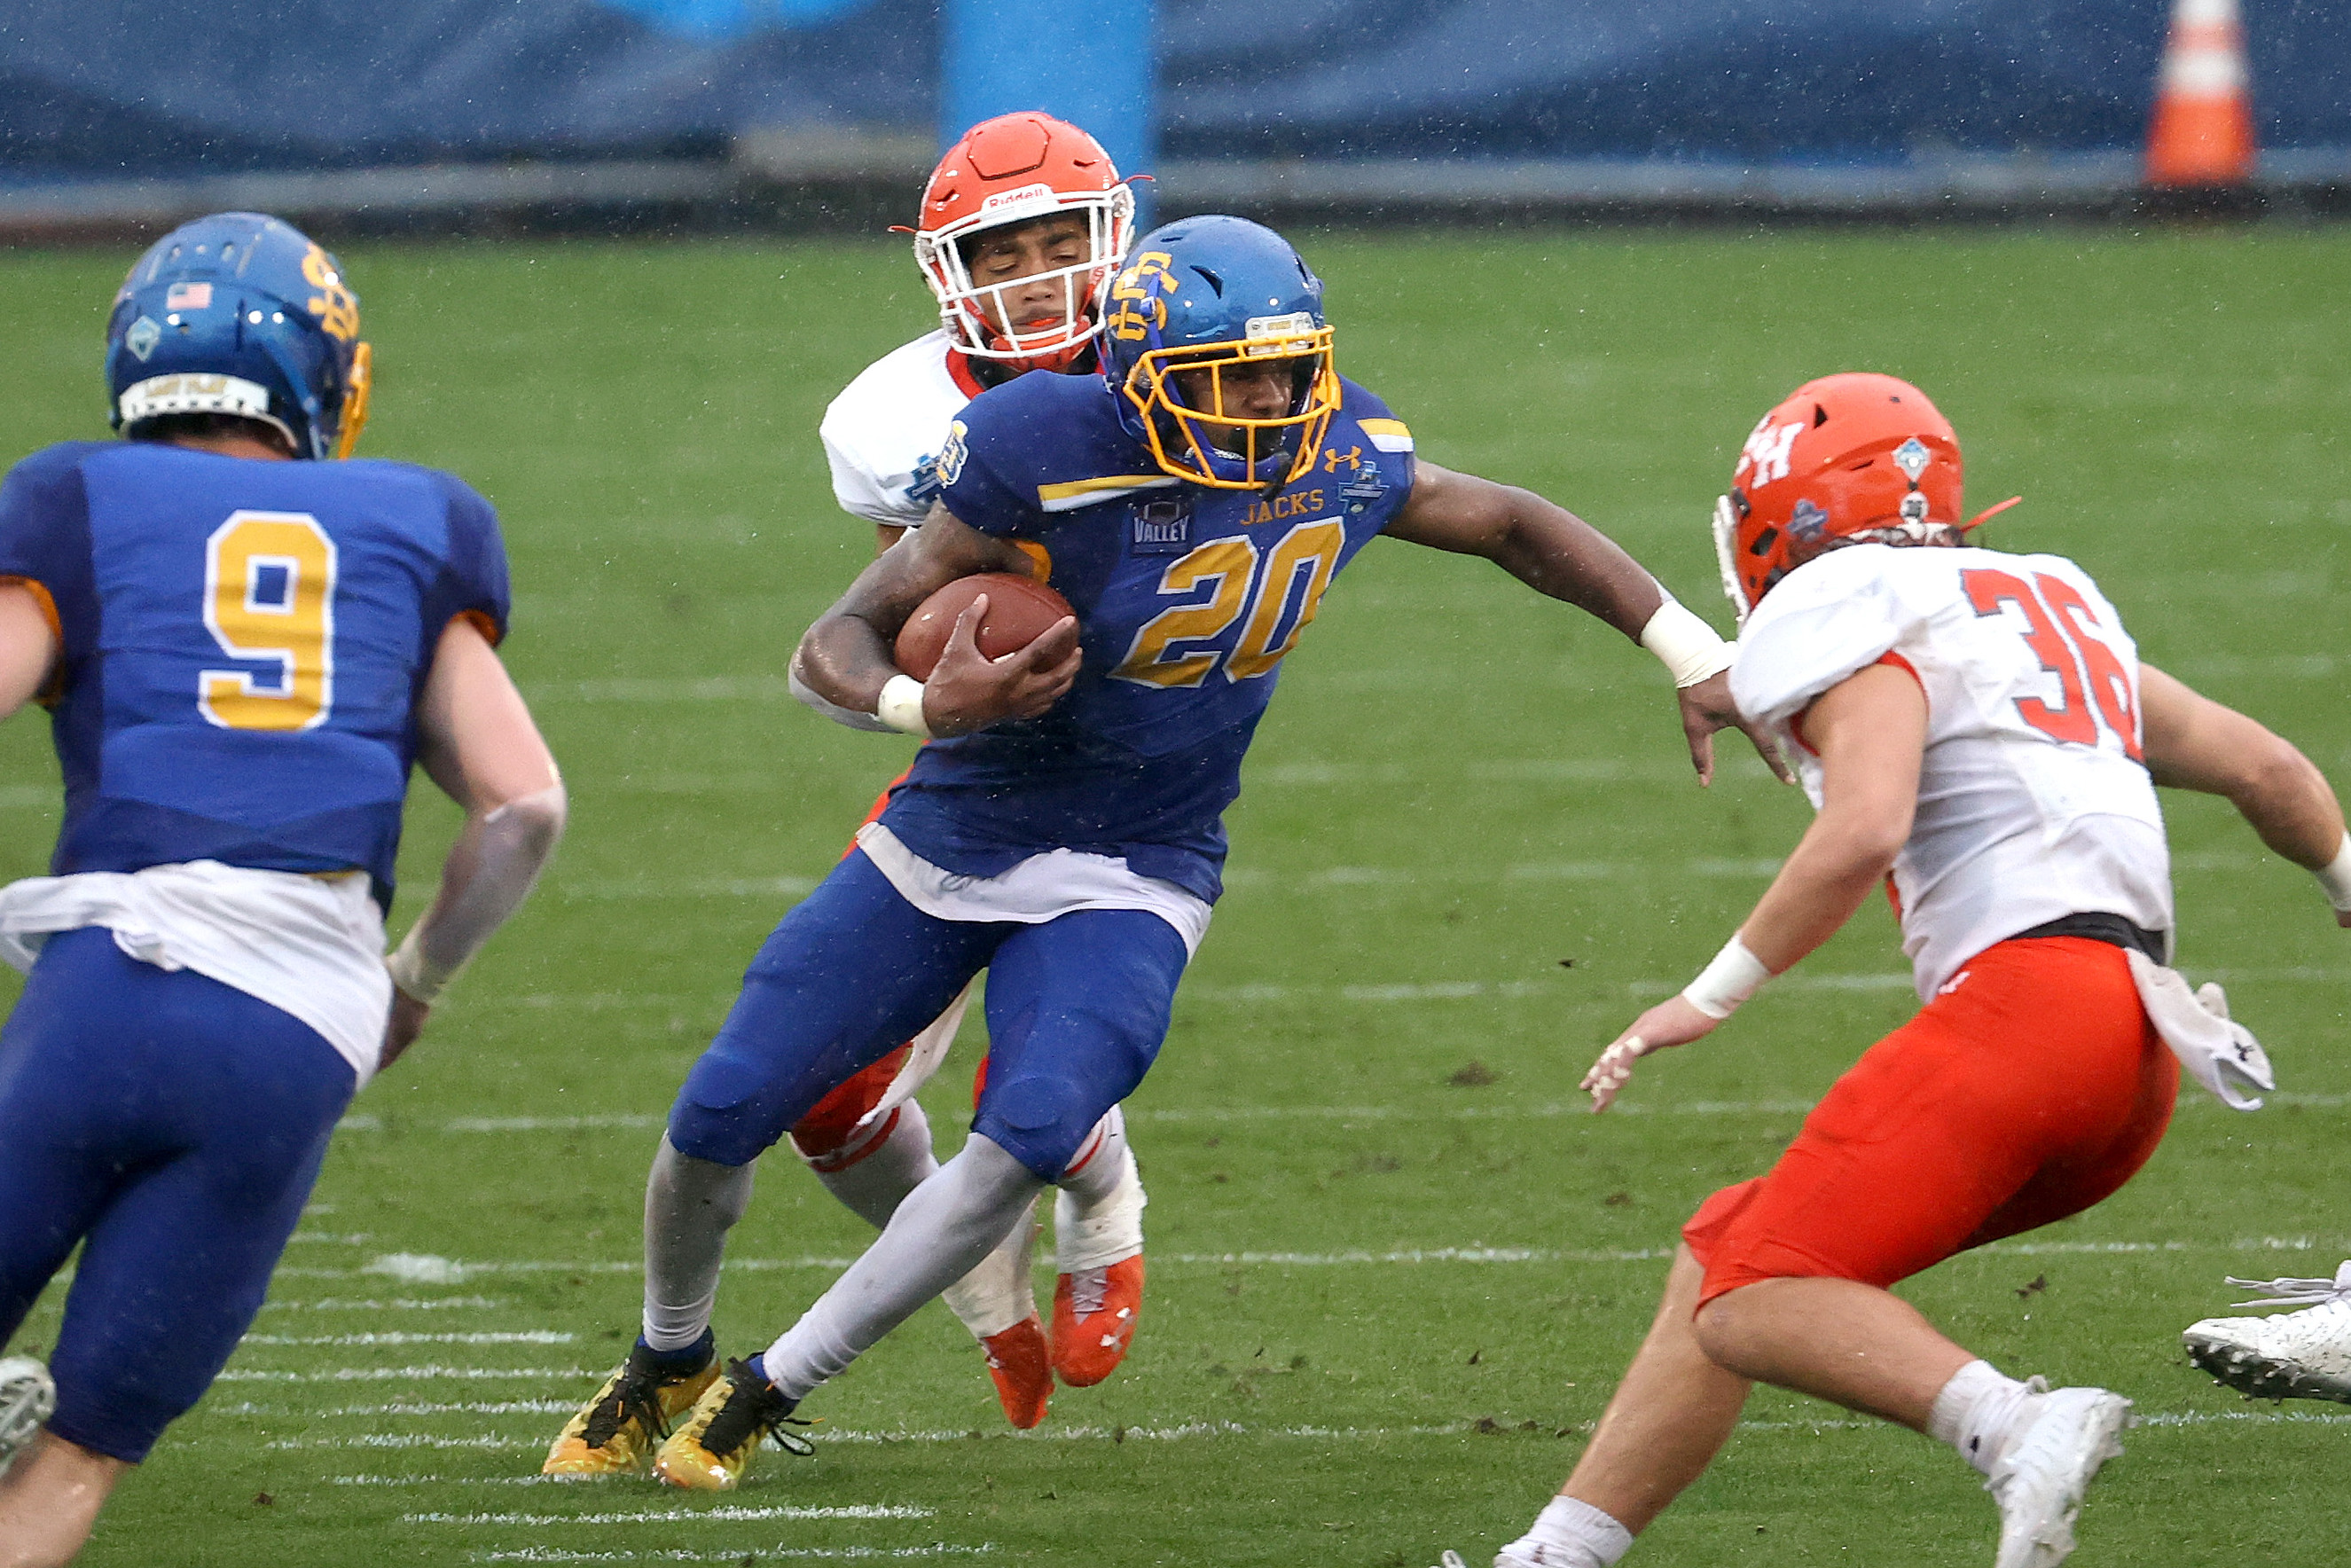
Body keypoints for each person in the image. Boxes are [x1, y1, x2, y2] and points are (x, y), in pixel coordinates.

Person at [558, 211, 1784, 1493]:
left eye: (1286, 369)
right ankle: (667, 1358)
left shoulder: (1343, 450)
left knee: (1032, 1129)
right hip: (956, 832)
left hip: (1139, 864)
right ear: (1140, 376)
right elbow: (839, 638)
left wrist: (1693, 654)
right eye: (1228, 377)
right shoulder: (1037, 445)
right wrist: (929, 707)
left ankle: (770, 1389)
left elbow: (1512, 523)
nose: (1267, 403)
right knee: (721, 1112)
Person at [1462, 372, 2347, 1568]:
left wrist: (1704, 996)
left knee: (1755, 1293)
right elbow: (2268, 769)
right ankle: (1556, 1557)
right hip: (2139, 1061)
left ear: (1794, 512)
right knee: (1731, 1249)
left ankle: (2016, 1426)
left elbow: (1868, 822)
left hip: (2028, 1025)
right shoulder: (2042, 600)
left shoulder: (1845, 602)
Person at [541, 113, 1150, 1470]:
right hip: (982, 770)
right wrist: (938, 694)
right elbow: (910, 610)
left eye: (1068, 242)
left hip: (1148, 780)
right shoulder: (891, 418)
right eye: (1008, 249)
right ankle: (983, 1296)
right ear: (947, 267)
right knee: (813, 1094)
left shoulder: (1187, 365)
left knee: (1042, 1086)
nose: (1045, 276)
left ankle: (1106, 1209)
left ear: (1118, 238)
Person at [0, 212, 564, 1565]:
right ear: (324, 371)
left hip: (107, 986)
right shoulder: (417, 521)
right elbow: (525, 803)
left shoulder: (74, 495)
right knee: (80, 1450)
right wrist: (412, 985)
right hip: (300, 1027)